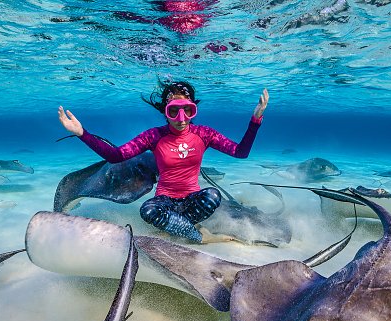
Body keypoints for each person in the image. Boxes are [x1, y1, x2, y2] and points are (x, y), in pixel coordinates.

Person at [58, 80, 269, 243]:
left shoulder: (205, 134)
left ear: (193, 109)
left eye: (187, 110)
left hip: (192, 199)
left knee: (213, 195)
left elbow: (240, 152)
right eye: (173, 111)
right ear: (165, 112)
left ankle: (179, 227)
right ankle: (198, 235)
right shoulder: (154, 136)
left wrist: (256, 119)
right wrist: (82, 133)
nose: (181, 118)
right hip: (165, 200)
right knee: (147, 210)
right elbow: (116, 156)